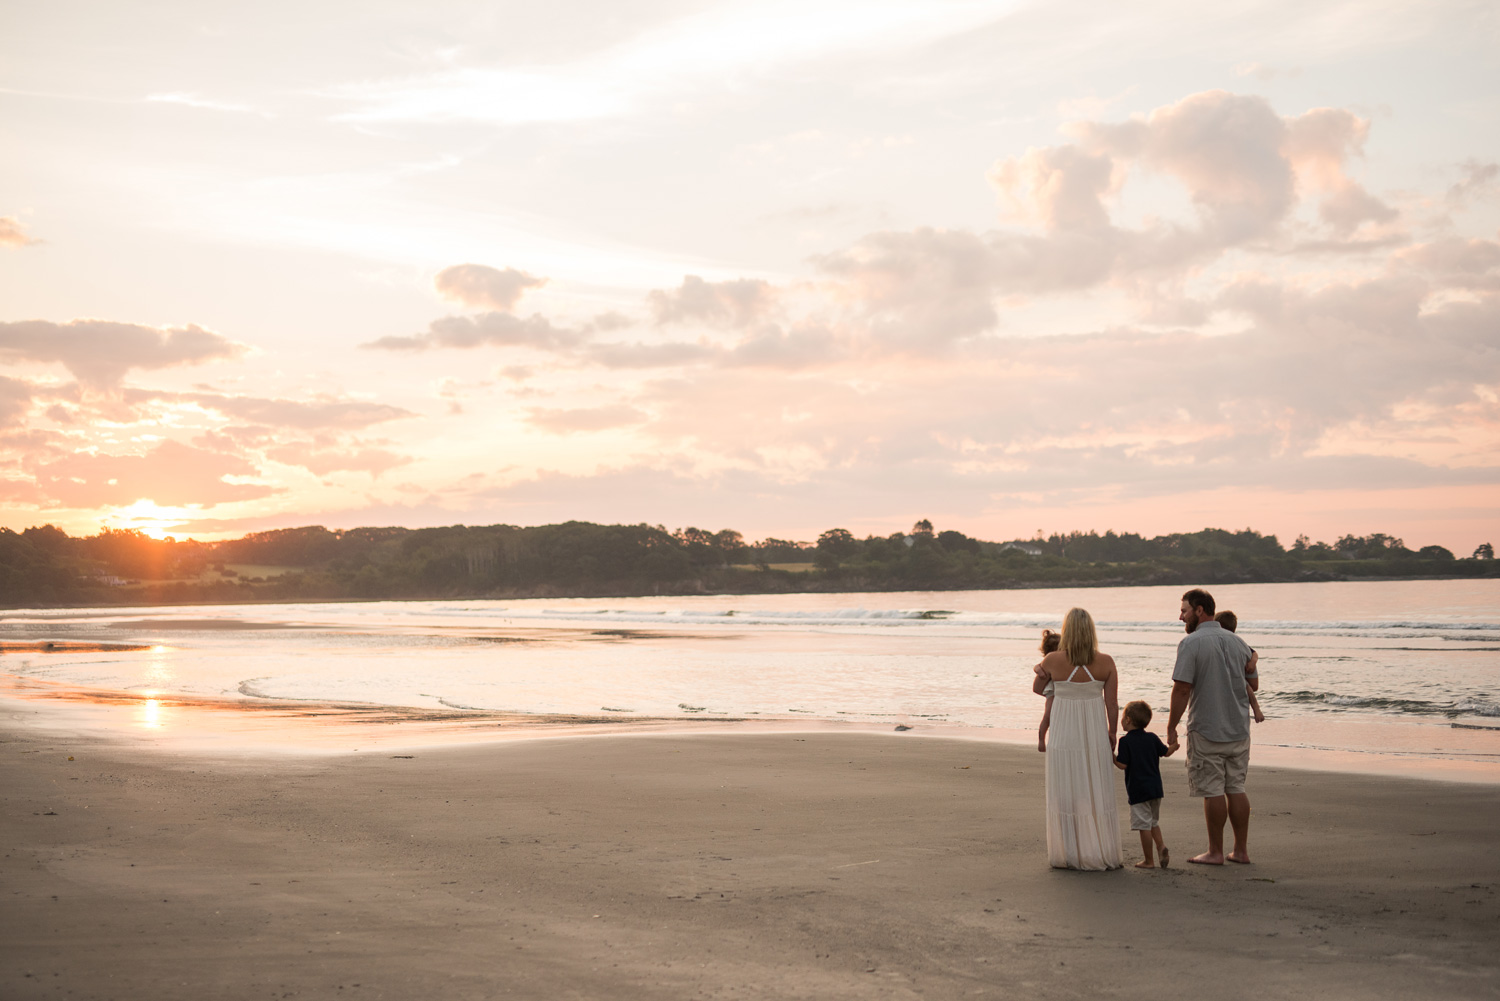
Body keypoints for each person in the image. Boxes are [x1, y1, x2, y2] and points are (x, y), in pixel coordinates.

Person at [1166, 588, 1258, 865]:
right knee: (1236, 787)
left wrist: (1171, 727)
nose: (1180, 616)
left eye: (1184, 610)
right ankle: (1240, 851)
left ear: (1200, 610)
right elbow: (1252, 684)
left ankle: (1216, 852)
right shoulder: (1239, 642)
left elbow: (1182, 689)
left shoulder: (1191, 644)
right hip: (1238, 728)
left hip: (1207, 728)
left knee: (1213, 790)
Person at [1033, 607, 1121, 870]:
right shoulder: (1106, 661)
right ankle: (1099, 849)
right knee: (1094, 788)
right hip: (1093, 730)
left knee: (1066, 789)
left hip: (1064, 730)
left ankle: (1068, 853)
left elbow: (1038, 689)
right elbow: (1113, 704)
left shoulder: (1052, 660)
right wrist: (1113, 732)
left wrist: (1043, 671)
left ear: (1067, 631)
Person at [1114, 700, 1176, 868]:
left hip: (1138, 791)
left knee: (1143, 826)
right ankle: (1161, 846)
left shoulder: (1125, 741)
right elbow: (1166, 752)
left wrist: (1111, 756)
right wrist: (1175, 745)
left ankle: (1149, 861)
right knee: (1153, 822)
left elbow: (1123, 765)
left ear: (1127, 720)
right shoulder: (1152, 738)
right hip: (1156, 789)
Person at [1215, 611, 1265, 723]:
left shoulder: (1237, 644)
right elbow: (1253, 652)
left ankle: (1256, 709)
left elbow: (1253, 652)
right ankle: (1256, 709)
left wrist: (1253, 661)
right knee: (1245, 684)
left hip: (1236, 681)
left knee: (1245, 684)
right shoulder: (1237, 643)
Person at [1034, 629, 1061, 752]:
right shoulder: (1047, 661)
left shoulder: (1064, 659)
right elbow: (1037, 667)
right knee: (1048, 715)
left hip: (1061, 689)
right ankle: (1041, 740)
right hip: (1052, 691)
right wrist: (1039, 672)